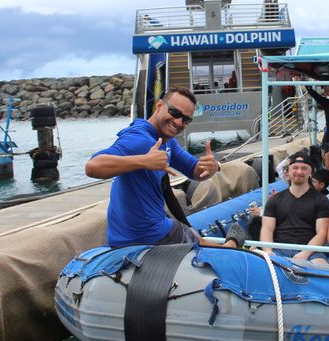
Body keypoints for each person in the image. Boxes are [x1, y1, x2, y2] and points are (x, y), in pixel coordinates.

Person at [85, 87, 243, 248]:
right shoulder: (139, 139)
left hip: (135, 233)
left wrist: (213, 167)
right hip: (148, 235)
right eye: (174, 112)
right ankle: (230, 246)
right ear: (159, 106)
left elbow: (196, 171)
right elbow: (92, 166)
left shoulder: (167, 142)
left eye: (186, 119)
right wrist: (143, 161)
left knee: (188, 232)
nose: (178, 122)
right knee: (200, 243)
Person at [260, 151, 329, 263]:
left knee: (320, 264)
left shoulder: (321, 200)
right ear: (288, 171)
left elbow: (322, 232)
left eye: (304, 168)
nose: (299, 171)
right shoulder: (274, 200)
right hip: (279, 249)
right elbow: (267, 229)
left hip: (310, 249)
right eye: (295, 168)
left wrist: (305, 253)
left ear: (310, 172)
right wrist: (268, 250)